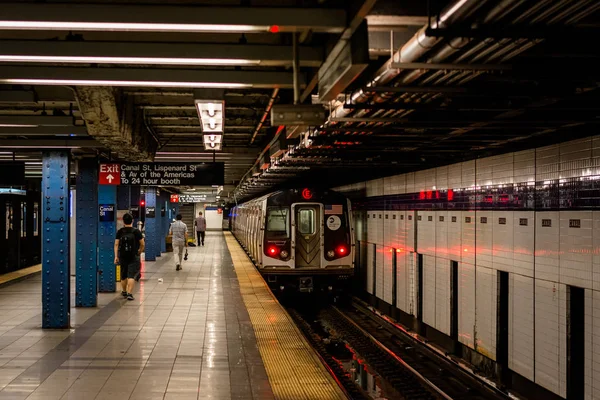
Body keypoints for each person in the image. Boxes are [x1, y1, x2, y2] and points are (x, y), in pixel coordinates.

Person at [114, 213, 144, 301]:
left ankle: (124, 291)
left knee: (123, 275)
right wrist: (139, 252)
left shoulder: (120, 231)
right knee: (131, 275)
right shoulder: (136, 232)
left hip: (122, 255)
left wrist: (116, 256)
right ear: (132, 221)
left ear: (123, 221)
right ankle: (130, 294)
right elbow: (142, 244)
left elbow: (116, 244)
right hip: (133, 255)